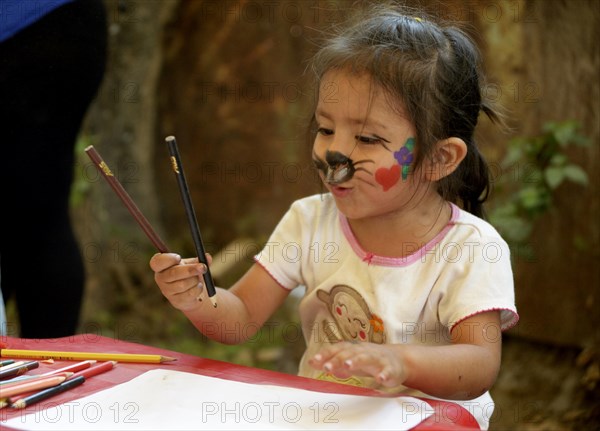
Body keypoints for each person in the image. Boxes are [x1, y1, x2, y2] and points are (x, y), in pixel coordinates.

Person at [150, 5, 518, 430]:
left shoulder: (471, 248)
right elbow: (240, 320)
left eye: (366, 138)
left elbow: (479, 364)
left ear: (438, 158)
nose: (333, 155)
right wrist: (196, 297)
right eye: (326, 130)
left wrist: (399, 362)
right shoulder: (309, 222)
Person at [0, 0, 107, 338]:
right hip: (66, 21)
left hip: (28, 27)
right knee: (40, 215)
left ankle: (51, 374)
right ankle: (50, 369)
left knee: (39, 217)